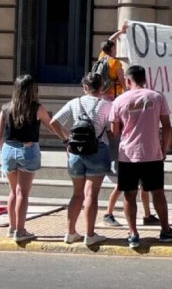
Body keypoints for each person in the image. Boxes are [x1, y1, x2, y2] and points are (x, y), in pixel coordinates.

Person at [109, 65, 172, 248]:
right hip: (152, 153)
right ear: (145, 79)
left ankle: (133, 233)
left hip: (128, 155)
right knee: (158, 193)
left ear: (128, 80)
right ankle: (165, 229)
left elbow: (114, 131)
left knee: (129, 195)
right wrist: (164, 149)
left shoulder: (119, 100)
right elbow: (167, 125)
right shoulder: (157, 96)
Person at [49, 72, 111, 245]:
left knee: (77, 194)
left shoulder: (74, 103)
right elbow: (113, 130)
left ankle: (70, 232)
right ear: (101, 88)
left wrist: (66, 140)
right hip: (97, 150)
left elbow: (54, 122)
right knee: (91, 194)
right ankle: (90, 234)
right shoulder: (106, 105)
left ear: (84, 87)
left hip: (75, 152)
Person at [0, 75, 56, 242]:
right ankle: (21, 231)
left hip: (8, 150)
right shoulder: (37, 108)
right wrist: (65, 137)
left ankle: (12, 227)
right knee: (23, 192)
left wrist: (5, 152)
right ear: (32, 90)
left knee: (13, 192)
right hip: (27, 149)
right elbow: (52, 126)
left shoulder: (5, 108)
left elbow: (0, 137)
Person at [96, 22, 128, 101]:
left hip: (102, 92)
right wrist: (127, 92)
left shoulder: (102, 56)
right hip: (113, 94)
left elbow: (110, 40)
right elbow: (122, 80)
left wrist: (121, 31)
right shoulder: (115, 63)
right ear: (113, 49)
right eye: (114, 47)